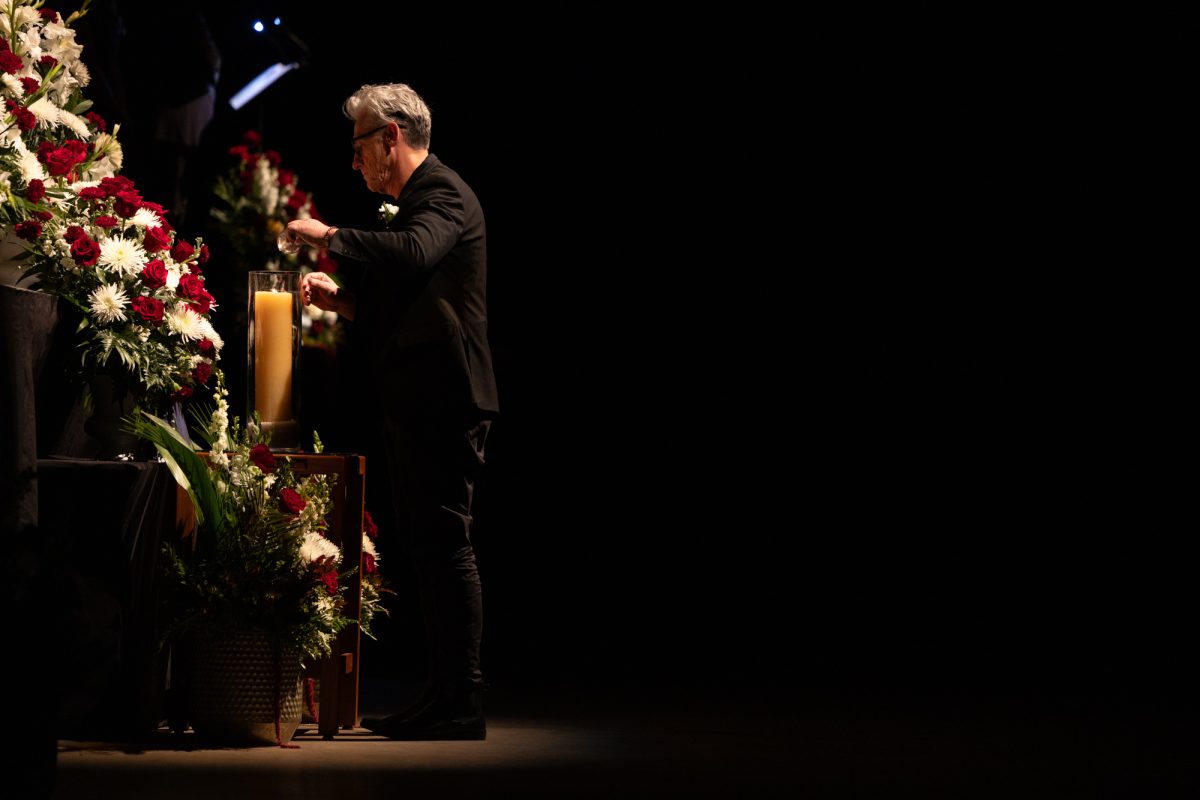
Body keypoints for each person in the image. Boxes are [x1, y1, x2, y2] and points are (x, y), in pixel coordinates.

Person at [289, 83, 498, 741]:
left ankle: (461, 700)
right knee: (427, 546)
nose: (355, 165)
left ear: (390, 138)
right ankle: (442, 694)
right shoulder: (413, 202)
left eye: (359, 148)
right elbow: (408, 306)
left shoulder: (443, 195)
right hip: (420, 395)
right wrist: (341, 303)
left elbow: (413, 254)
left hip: (447, 396)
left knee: (444, 543)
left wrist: (328, 235)